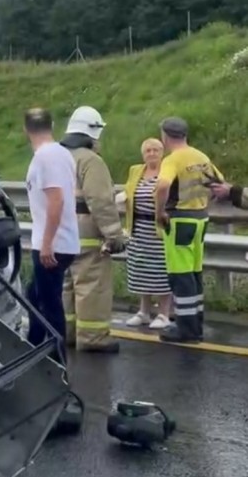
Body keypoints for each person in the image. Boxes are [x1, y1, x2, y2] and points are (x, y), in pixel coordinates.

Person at [60, 106, 127, 353]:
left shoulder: (53, 156)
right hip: (85, 236)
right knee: (91, 286)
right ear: (94, 132)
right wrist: (114, 235)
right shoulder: (90, 161)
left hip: (58, 234)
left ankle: (66, 333)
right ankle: (93, 337)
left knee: (65, 286)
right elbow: (100, 201)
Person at [154, 117, 224, 343]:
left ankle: (186, 329)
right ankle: (196, 322)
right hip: (200, 219)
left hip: (180, 220)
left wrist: (160, 211)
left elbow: (163, 185)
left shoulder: (173, 159)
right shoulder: (200, 156)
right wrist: (205, 203)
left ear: (165, 136)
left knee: (180, 275)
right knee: (194, 273)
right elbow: (219, 182)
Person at [23, 108, 79, 352]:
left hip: (52, 245)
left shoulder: (46, 157)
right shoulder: (61, 153)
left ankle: (58, 362)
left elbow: (56, 201)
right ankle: (30, 349)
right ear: (52, 124)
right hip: (60, 241)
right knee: (34, 297)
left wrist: (47, 243)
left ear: (25, 129)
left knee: (50, 306)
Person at [122, 138, 172, 329]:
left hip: (159, 228)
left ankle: (164, 313)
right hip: (138, 227)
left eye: (155, 150)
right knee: (141, 270)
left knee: (161, 271)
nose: (151, 153)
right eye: (148, 151)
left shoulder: (168, 170)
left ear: (162, 152)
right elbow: (129, 190)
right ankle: (143, 312)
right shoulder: (136, 170)